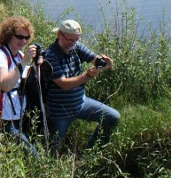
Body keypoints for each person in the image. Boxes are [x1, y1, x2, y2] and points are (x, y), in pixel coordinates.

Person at [42, 19, 119, 154]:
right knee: (51, 151)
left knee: (113, 117)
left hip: (81, 104)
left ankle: (90, 153)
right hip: (59, 112)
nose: (73, 43)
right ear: (59, 34)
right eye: (70, 40)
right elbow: (63, 84)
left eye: (76, 40)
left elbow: (95, 60)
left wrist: (106, 64)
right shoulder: (50, 56)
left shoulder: (76, 47)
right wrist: (86, 76)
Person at [0, 17, 37, 156]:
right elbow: (5, 85)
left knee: (8, 154)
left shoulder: (19, 55)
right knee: (32, 154)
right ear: (9, 35)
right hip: (3, 117)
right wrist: (25, 61)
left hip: (18, 115)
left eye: (26, 38)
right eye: (19, 37)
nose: (23, 41)